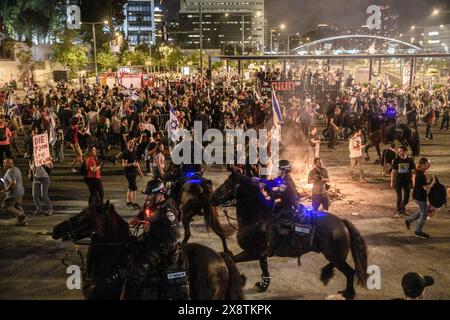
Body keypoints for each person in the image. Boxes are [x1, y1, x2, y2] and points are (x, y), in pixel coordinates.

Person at [126, 179, 188, 300]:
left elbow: (175, 234)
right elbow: (143, 213)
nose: (147, 198)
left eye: (150, 194)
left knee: (138, 269)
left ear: (160, 195)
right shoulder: (150, 204)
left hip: (165, 245)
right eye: (146, 194)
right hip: (150, 239)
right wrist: (138, 219)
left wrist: (152, 228)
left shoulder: (167, 209)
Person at [405, 158, 435, 239]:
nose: (429, 165)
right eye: (428, 164)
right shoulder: (421, 175)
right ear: (422, 164)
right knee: (424, 214)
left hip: (416, 195)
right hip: (420, 196)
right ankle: (418, 232)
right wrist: (432, 181)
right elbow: (426, 187)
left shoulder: (418, 171)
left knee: (423, 211)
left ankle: (409, 220)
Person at [391, 146, 415, 218]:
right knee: (399, 196)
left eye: (401, 151)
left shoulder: (410, 160)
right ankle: (399, 211)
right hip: (398, 180)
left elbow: (412, 171)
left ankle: (402, 209)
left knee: (407, 197)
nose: (399, 152)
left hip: (407, 181)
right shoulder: (396, 160)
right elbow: (393, 171)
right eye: (399, 151)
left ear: (405, 151)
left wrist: (413, 181)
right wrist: (392, 181)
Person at [2, 158, 26, 226]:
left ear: (9, 163)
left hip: (13, 194)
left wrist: (6, 189)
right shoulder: (17, 169)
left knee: (6, 206)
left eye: (4, 163)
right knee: (18, 205)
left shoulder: (9, 172)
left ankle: (20, 214)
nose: (3, 164)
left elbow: (13, 183)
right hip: (20, 191)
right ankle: (22, 222)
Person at [122, 139, 143, 209]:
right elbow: (124, 164)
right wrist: (132, 164)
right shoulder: (125, 153)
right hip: (129, 173)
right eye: (131, 142)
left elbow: (137, 163)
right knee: (134, 188)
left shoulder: (134, 152)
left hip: (134, 172)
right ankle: (134, 203)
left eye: (133, 143)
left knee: (130, 186)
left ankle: (128, 201)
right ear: (127, 143)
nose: (132, 144)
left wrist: (140, 172)